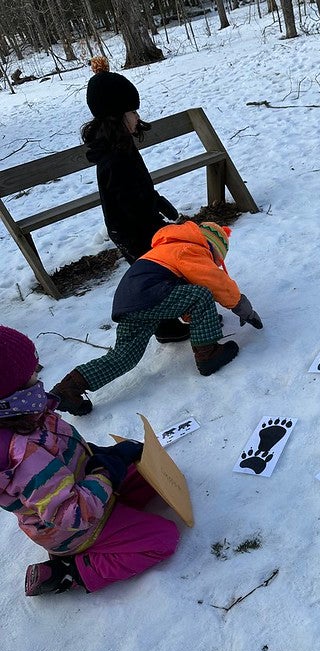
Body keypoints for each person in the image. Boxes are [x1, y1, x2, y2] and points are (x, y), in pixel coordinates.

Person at [0, 326, 180, 597]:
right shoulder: (23, 456)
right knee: (162, 539)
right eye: (31, 375)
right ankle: (73, 570)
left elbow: (60, 449)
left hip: (83, 487)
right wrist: (104, 470)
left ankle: (115, 504)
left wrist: (98, 455)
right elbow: (73, 515)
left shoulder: (27, 412)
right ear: (9, 395)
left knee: (149, 472)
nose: (39, 377)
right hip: (73, 529)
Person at [50, 220, 263, 416]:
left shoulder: (164, 249)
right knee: (202, 294)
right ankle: (208, 355)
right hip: (150, 295)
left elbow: (181, 294)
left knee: (125, 356)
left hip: (131, 301)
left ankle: (68, 390)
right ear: (211, 246)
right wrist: (242, 307)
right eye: (216, 259)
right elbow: (214, 282)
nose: (214, 263)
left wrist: (203, 322)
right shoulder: (191, 248)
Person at [84, 56, 186, 344]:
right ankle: (165, 326)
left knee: (158, 271)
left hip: (142, 223)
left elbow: (142, 188)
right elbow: (128, 201)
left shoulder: (122, 146)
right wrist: (154, 227)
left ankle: (174, 319)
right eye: (132, 112)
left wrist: (164, 209)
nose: (137, 118)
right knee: (153, 275)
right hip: (131, 230)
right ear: (117, 116)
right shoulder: (113, 159)